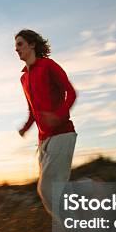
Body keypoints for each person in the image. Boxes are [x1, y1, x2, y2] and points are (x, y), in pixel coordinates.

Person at [15, 29, 77, 218]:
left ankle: (69, 231)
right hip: (44, 140)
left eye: (20, 44)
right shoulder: (24, 78)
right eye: (15, 46)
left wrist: (58, 115)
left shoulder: (48, 66)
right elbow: (33, 110)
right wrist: (26, 127)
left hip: (62, 133)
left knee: (46, 188)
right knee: (53, 189)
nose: (16, 49)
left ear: (32, 44)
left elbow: (71, 93)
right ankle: (92, 187)